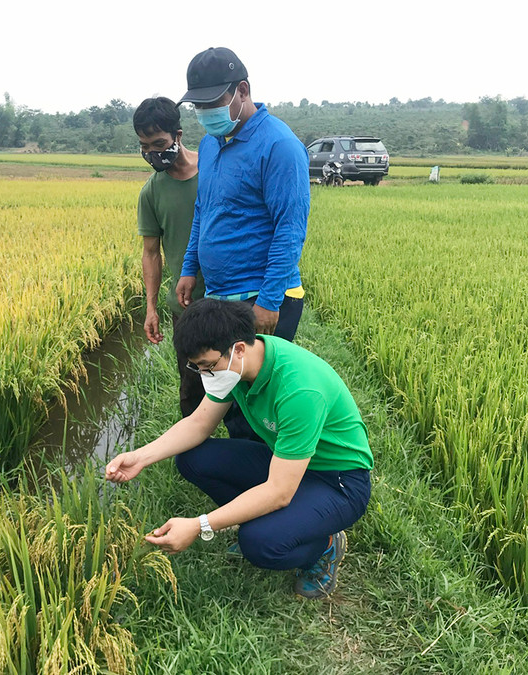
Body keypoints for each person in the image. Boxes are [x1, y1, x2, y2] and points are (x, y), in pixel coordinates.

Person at [105, 299, 372, 599]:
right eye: (198, 368)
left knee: (259, 544)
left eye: (207, 366)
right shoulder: (236, 363)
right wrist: (140, 457)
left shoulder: (298, 390)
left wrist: (200, 525)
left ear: (239, 350)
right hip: (287, 461)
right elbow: (198, 425)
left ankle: (324, 546)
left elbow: (279, 492)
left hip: (337, 481)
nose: (205, 375)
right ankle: (268, 519)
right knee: (194, 459)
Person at [175, 47, 309, 343]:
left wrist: (269, 302)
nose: (204, 112)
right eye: (197, 104)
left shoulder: (279, 145)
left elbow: (290, 228)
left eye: (212, 102)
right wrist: (189, 268)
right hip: (219, 294)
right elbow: (203, 209)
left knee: (256, 388)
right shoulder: (211, 144)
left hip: (262, 295)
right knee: (227, 386)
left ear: (243, 91)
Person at [134, 97, 206, 418]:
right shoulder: (151, 192)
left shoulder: (213, 171)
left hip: (230, 299)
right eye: (144, 146)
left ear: (177, 135)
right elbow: (151, 253)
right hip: (185, 308)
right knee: (192, 389)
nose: (152, 153)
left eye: (159, 143)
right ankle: (197, 461)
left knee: (241, 388)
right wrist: (151, 307)